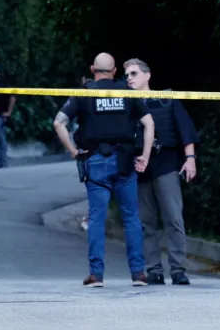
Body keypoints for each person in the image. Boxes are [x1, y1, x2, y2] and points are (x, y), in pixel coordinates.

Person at [53, 53, 155, 287]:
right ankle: (138, 273)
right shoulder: (126, 92)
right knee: (131, 217)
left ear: (92, 69)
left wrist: (72, 151)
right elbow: (149, 123)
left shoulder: (84, 94)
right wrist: (145, 156)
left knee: (97, 218)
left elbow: (59, 122)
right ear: (115, 70)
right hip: (125, 162)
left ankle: (96, 275)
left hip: (95, 161)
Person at [123, 58, 201, 286]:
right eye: (127, 75)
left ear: (148, 75)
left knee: (174, 218)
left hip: (166, 163)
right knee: (146, 222)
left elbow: (185, 130)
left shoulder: (167, 99)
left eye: (134, 73)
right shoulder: (126, 104)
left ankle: (178, 269)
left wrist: (190, 159)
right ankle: (154, 269)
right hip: (140, 167)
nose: (130, 78)